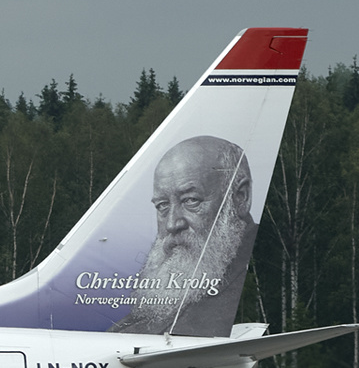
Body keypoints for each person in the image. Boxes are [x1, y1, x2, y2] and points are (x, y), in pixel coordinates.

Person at [110, 135, 257, 336]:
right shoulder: (168, 302)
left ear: (240, 197)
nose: (172, 224)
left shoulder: (256, 280)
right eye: (162, 205)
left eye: (191, 201)